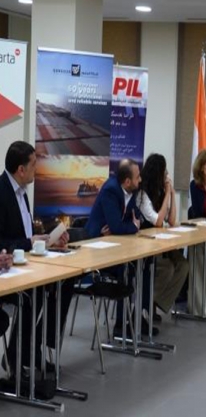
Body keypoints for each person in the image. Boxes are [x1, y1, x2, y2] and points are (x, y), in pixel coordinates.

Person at [0, 141, 71, 373]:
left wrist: (49, 241)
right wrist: (30, 243)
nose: (36, 169)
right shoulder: (2, 193)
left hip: (27, 264)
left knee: (64, 283)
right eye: (33, 165)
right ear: (21, 170)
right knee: (35, 293)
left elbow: (27, 235)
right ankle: (18, 355)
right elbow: (3, 242)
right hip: (8, 270)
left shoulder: (22, 193)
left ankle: (31, 348)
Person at [85, 159, 152, 336]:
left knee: (146, 263)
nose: (140, 180)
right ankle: (121, 324)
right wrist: (132, 227)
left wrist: (127, 226)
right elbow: (118, 226)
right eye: (137, 177)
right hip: (96, 250)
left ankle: (139, 315)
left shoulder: (130, 191)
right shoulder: (111, 190)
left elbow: (136, 218)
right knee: (127, 268)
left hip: (115, 246)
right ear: (127, 181)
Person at [136, 154, 189, 320]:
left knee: (183, 265)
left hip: (161, 243)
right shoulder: (142, 194)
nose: (166, 175)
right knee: (167, 268)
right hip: (146, 245)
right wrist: (166, 195)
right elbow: (158, 221)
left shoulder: (159, 192)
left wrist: (171, 193)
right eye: (164, 171)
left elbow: (171, 220)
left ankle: (156, 302)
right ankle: (146, 305)